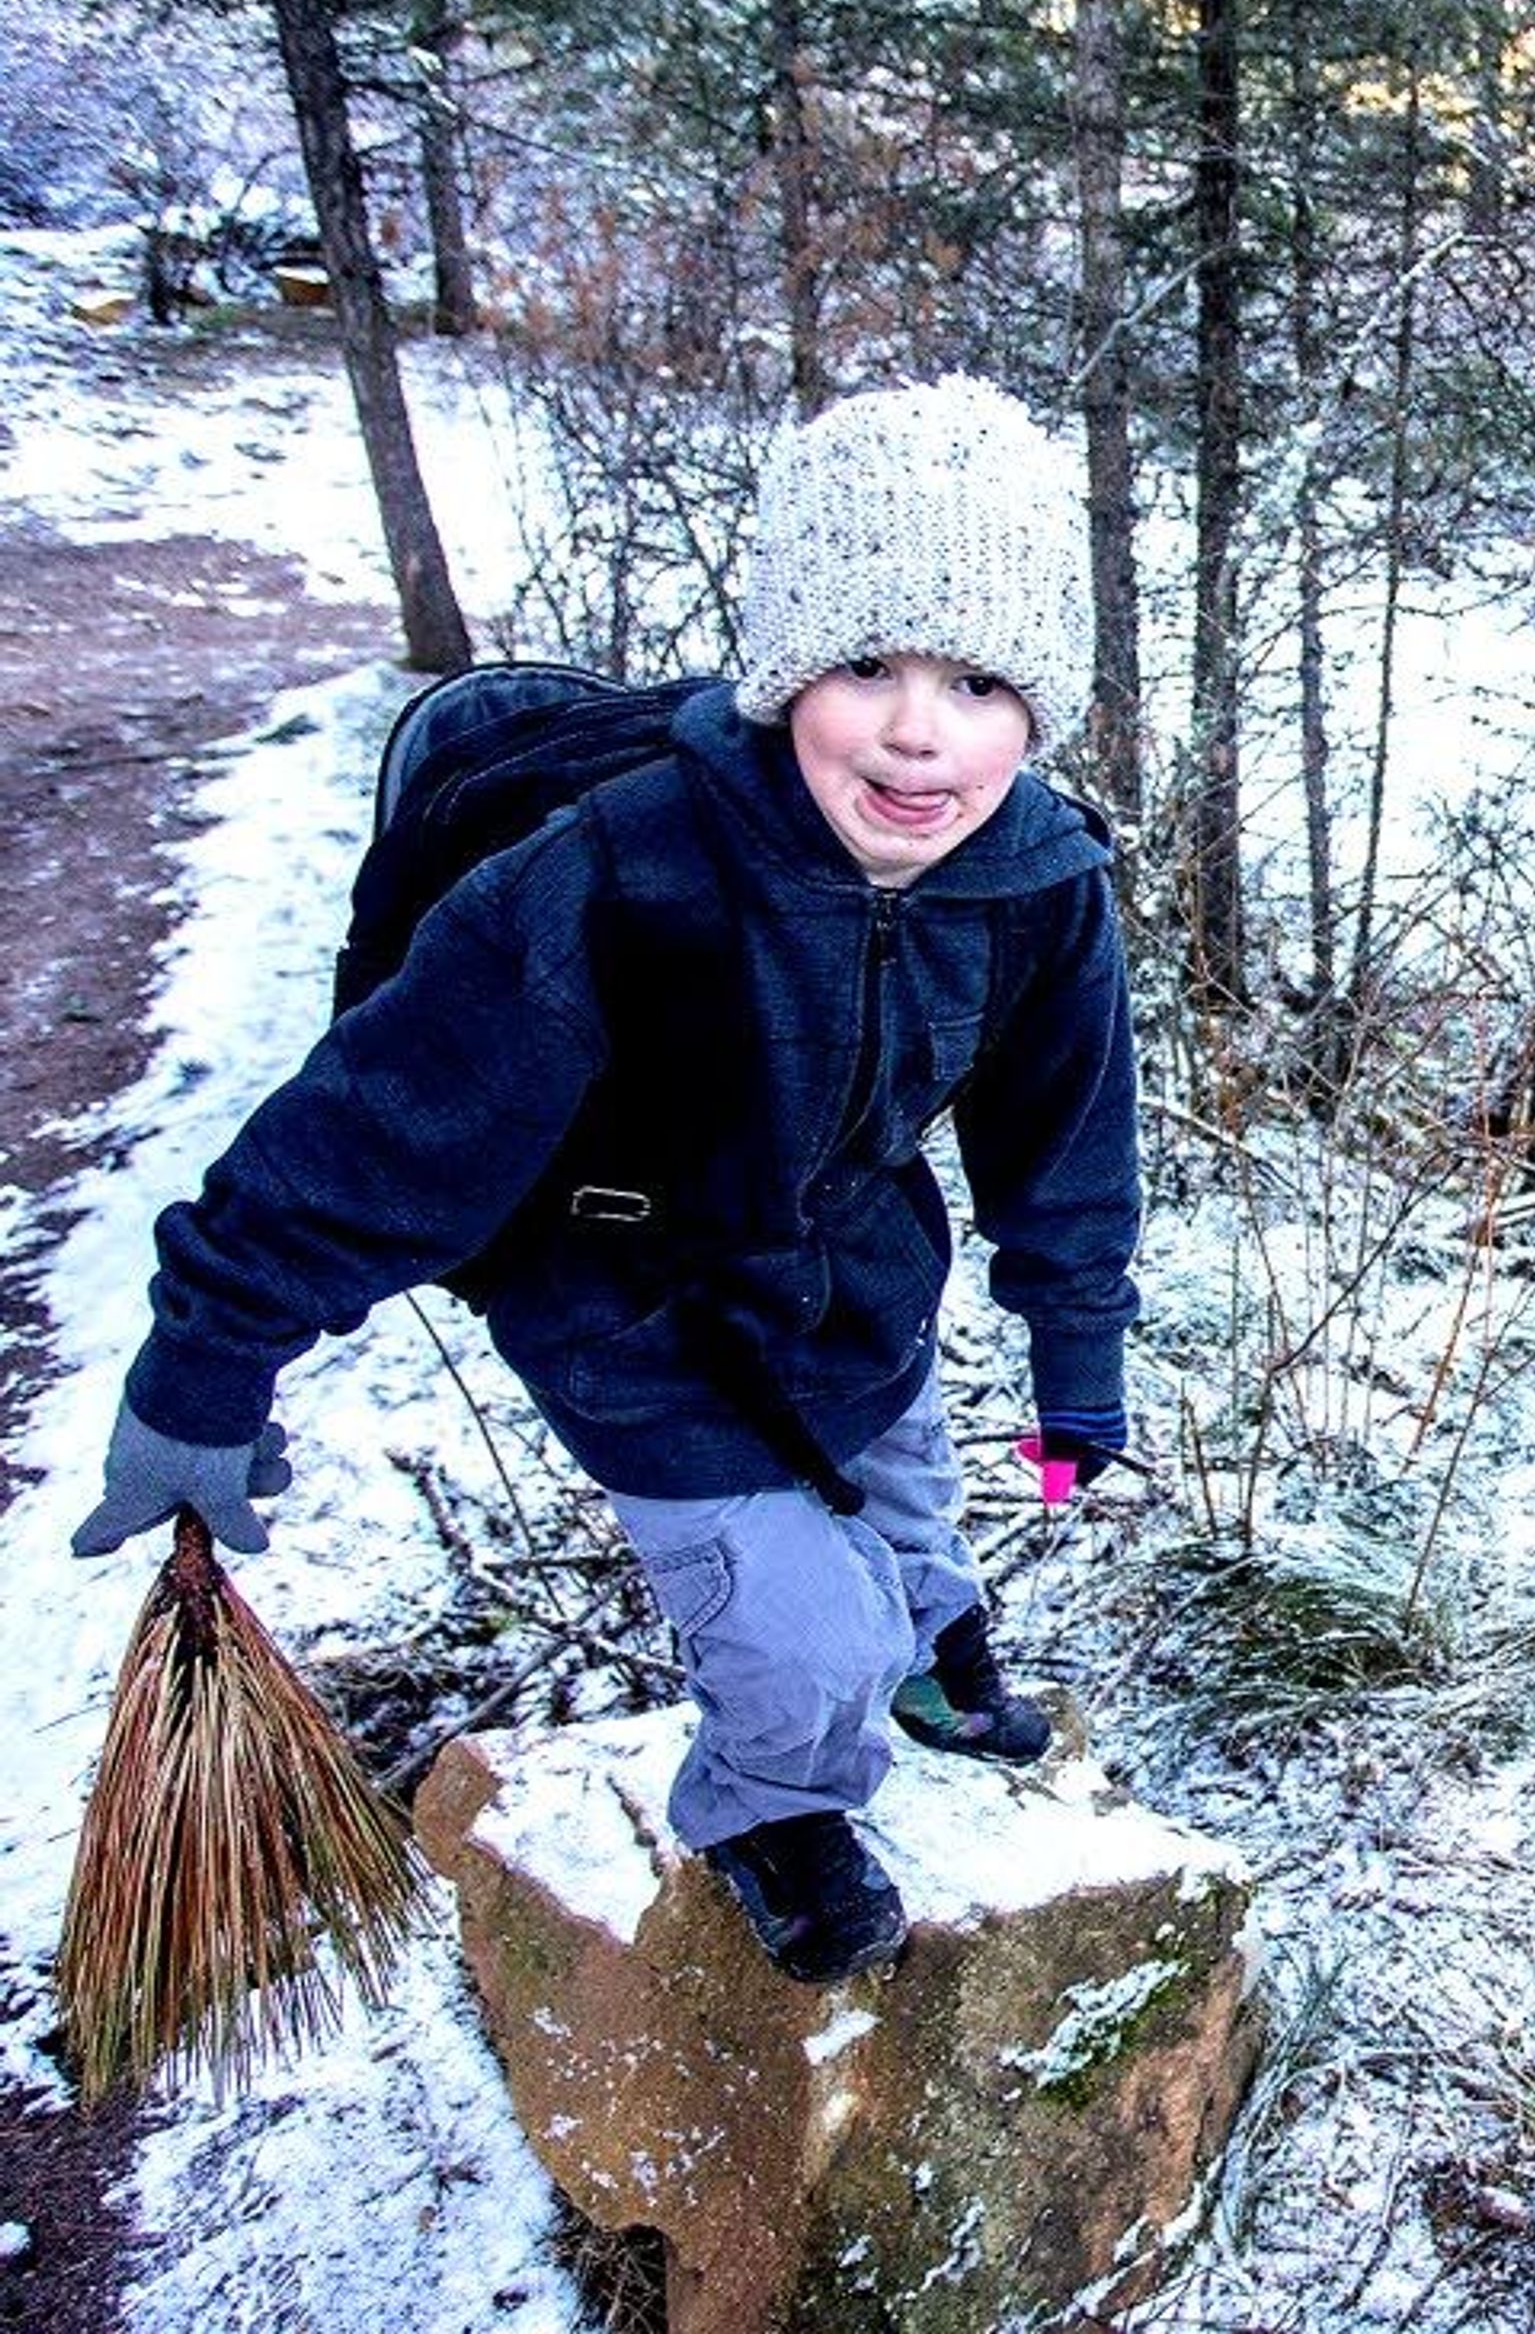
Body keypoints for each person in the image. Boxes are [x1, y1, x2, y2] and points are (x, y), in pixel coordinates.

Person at [69, 377, 1142, 1988]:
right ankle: (773, 1807)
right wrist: (207, 1363)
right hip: (627, 1307)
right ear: (788, 673)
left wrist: (1077, 1363)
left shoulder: (1036, 878)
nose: (921, 731)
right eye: (867, 665)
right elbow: (379, 1125)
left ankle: (932, 1650)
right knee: (795, 1637)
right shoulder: (619, 870)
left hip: (852, 1281)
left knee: (907, 1487)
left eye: (981, 680)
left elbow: (1066, 1144)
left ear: (1040, 705)